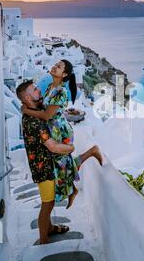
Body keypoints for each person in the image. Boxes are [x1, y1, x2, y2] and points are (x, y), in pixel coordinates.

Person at [17, 80, 104, 244]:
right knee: (47, 205)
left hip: (49, 164)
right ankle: (43, 240)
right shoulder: (33, 122)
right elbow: (53, 146)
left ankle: (50, 227)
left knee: (64, 176)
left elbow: (50, 109)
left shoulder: (36, 108)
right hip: (44, 169)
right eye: (35, 90)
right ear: (28, 98)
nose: (38, 90)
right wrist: (70, 148)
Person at [21, 60, 103, 208]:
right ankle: (73, 189)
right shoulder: (50, 88)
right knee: (61, 165)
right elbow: (43, 109)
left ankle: (90, 156)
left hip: (60, 131)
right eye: (55, 64)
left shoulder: (61, 91)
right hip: (52, 129)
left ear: (64, 74)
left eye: (59, 67)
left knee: (62, 164)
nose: (54, 66)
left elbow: (46, 115)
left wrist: (26, 111)